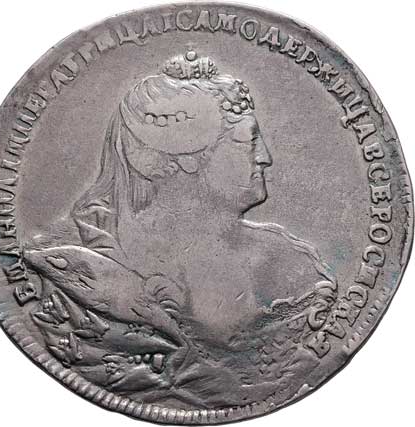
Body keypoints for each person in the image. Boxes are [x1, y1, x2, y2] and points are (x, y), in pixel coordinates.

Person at [24, 50, 337, 406]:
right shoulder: (75, 267)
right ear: (187, 158)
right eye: (248, 140)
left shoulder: (290, 264)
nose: (265, 156)